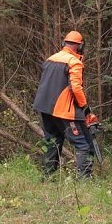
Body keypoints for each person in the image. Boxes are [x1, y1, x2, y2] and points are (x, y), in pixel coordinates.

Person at [32, 30, 95, 178]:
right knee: (83, 145)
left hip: (46, 109)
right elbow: (76, 88)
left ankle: (47, 177)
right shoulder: (75, 63)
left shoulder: (51, 59)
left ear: (64, 43)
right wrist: (85, 108)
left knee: (52, 142)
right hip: (64, 111)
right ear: (80, 46)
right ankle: (84, 181)